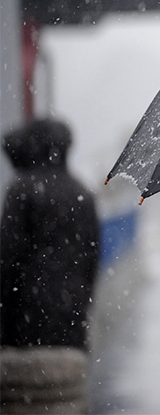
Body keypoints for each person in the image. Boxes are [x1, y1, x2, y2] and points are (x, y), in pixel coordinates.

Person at [0, 118, 101, 413]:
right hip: (71, 321)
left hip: (26, 322)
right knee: (66, 398)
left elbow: (7, 262)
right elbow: (92, 260)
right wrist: (80, 304)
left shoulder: (23, 189)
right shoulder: (83, 192)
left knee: (26, 400)